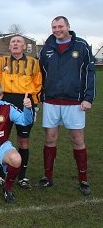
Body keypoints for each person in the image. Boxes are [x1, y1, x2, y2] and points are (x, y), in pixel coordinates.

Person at [35, 16, 96, 195]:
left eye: (60, 26)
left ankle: (83, 180)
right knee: (50, 139)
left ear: (68, 26)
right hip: (51, 101)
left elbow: (89, 73)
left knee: (77, 140)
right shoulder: (47, 48)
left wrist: (88, 98)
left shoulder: (81, 46)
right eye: (54, 27)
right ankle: (48, 177)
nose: (57, 30)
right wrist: (39, 98)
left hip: (74, 102)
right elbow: (40, 75)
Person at [0, 33, 42, 189]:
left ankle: (22, 177)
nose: (15, 44)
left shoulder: (34, 63)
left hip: (24, 103)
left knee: (23, 140)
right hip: (5, 101)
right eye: (13, 42)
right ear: (9, 46)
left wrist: (34, 106)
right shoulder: (2, 62)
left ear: (23, 46)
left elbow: (38, 85)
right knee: (0, 138)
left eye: (18, 42)